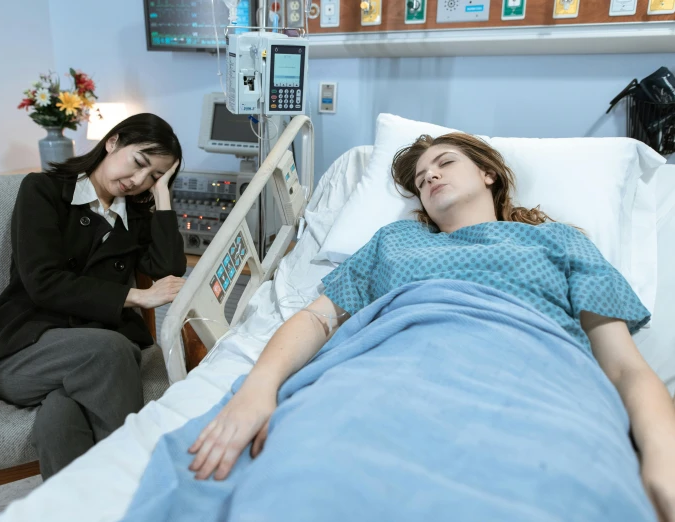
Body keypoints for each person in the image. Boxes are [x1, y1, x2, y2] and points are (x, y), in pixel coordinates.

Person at [181, 133, 675, 520]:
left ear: (488, 174)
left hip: (536, 383)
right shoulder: (396, 240)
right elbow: (316, 317)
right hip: (382, 379)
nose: (430, 177)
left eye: (444, 163)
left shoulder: (558, 240)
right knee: (304, 477)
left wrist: (661, 457)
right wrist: (260, 388)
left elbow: (625, 368)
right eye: (420, 179)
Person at [0, 113, 188, 480]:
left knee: (61, 416)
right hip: (24, 350)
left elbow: (169, 268)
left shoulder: (134, 215)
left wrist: (163, 197)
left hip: (86, 359)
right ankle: (136, 486)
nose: (138, 180)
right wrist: (135, 296)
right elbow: (42, 282)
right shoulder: (44, 190)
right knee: (112, 350)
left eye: (154, 177)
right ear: (113, 141)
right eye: (139, 163)